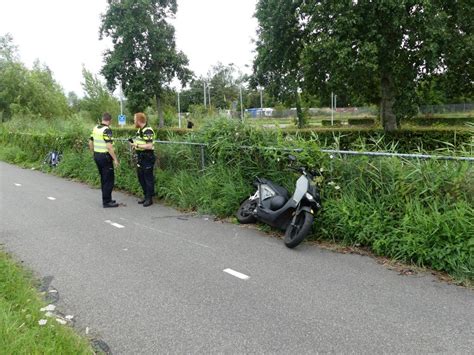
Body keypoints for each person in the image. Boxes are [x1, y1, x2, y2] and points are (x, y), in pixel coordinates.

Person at [89, 112, 119, 208]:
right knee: (109, 179)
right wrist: (115, 159)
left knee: (103, 178)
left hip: (97, 155)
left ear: (102, 119)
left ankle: (107, 198)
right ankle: (107, 202)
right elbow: (109, 147)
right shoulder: (107, 130)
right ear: (110, 121)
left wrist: (93, 152)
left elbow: (90, 142)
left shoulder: (95, 128)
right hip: (105, 157)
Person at [130, 112, 155, 207]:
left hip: (147, 156)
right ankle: (145, 196)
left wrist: (136, 145)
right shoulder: (140, 130)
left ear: (139, 120)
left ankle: (149, 198)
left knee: (148, 178)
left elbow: (149, 145)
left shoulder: (148, 130)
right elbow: (140, 142)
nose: (133, 121)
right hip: (140, 156)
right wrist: (134, 145)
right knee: (141, 177)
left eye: (134, 120)